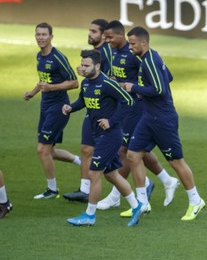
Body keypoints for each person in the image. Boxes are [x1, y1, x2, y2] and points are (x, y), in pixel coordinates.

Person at [122, 26, 205, 221]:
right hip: (148, 117)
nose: (130, 47)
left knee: (176, 161)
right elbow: (169, 77)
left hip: (163, 119)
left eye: (132, 44)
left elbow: (159, 89)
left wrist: (134, 87)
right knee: (133, 155)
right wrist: (142, 91)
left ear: (144, 43)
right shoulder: (152, 57)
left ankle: (196, 200)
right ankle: (141, 203)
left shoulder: (149, 61)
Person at [97, 20, 180, 215]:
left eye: (110, 37)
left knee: (126, 151)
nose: (106, 40)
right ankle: (166, 181)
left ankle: (118, 195)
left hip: (139, 108)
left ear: (121, 35)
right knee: (135, 150)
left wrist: (136, 88)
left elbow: (165, 78)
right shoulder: (114, 53)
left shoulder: (137, 55)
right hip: (125, 107)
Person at [62, 49, 143, 227]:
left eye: (86, 65)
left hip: (110, 135)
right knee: (111, 174)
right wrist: (70, 108)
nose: (82, 68)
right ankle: (137, 206)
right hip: (98, 134)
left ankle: (89, 215)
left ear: (97, 66)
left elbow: (128, 101)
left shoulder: (107, 83)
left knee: (93, 173)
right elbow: (82, 102)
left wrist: (111, 120)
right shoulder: (85, 84)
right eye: (82, 65)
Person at [23, 22, 80, 200]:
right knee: (51, 152)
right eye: (37, 34)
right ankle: (83, 162)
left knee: (42, 149)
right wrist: (32, 94)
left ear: (51, 37)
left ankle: (52, 190)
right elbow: (43, 81)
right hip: (45, 107)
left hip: (59, 107)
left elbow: (74, 82)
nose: (40, 37)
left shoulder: (58, 58)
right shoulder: (39, 56)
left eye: (44, 34)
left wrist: (52, 87)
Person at [64, 18, 115, 203]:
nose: (89, 34)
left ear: (103, 35)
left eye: (94, 31)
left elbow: (111, 80)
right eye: (89, 30)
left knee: (120, 155)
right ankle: (84, 190)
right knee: (86, 148)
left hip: (106, 112)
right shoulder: (94, 53)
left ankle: (143, 186)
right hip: (91, 108)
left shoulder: (107, 53)